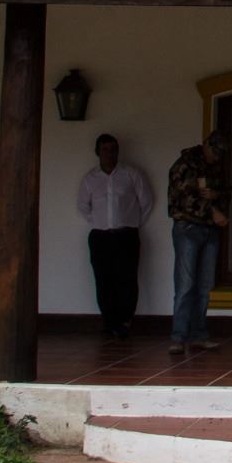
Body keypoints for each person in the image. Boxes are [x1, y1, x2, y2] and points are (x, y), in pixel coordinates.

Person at [76, 132, 155, 340]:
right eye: (104, 150)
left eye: (113, 149)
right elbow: (83, 206)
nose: (109, 154)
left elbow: (146, 201)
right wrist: (99, 223)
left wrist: (132, 223)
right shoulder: (90, 179)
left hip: (126, 235)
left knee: (127, 278)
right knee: (103, 279)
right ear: (97, 152)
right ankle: (109, 321)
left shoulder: (131, 174)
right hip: (100, 237)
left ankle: (125, 321)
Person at [167, 129, 231, 357]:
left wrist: (216, 197)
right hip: (188, 228)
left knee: (204, 286)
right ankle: (178, 337)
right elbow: (182, 198)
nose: (216, 157)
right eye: (215, 151)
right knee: (185, 285)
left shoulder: (216, 167)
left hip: (210, 230)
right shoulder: (185, 164)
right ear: (206, 144)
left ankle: (198, 335)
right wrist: (212, 211)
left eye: (220, 154)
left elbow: (226, 190)